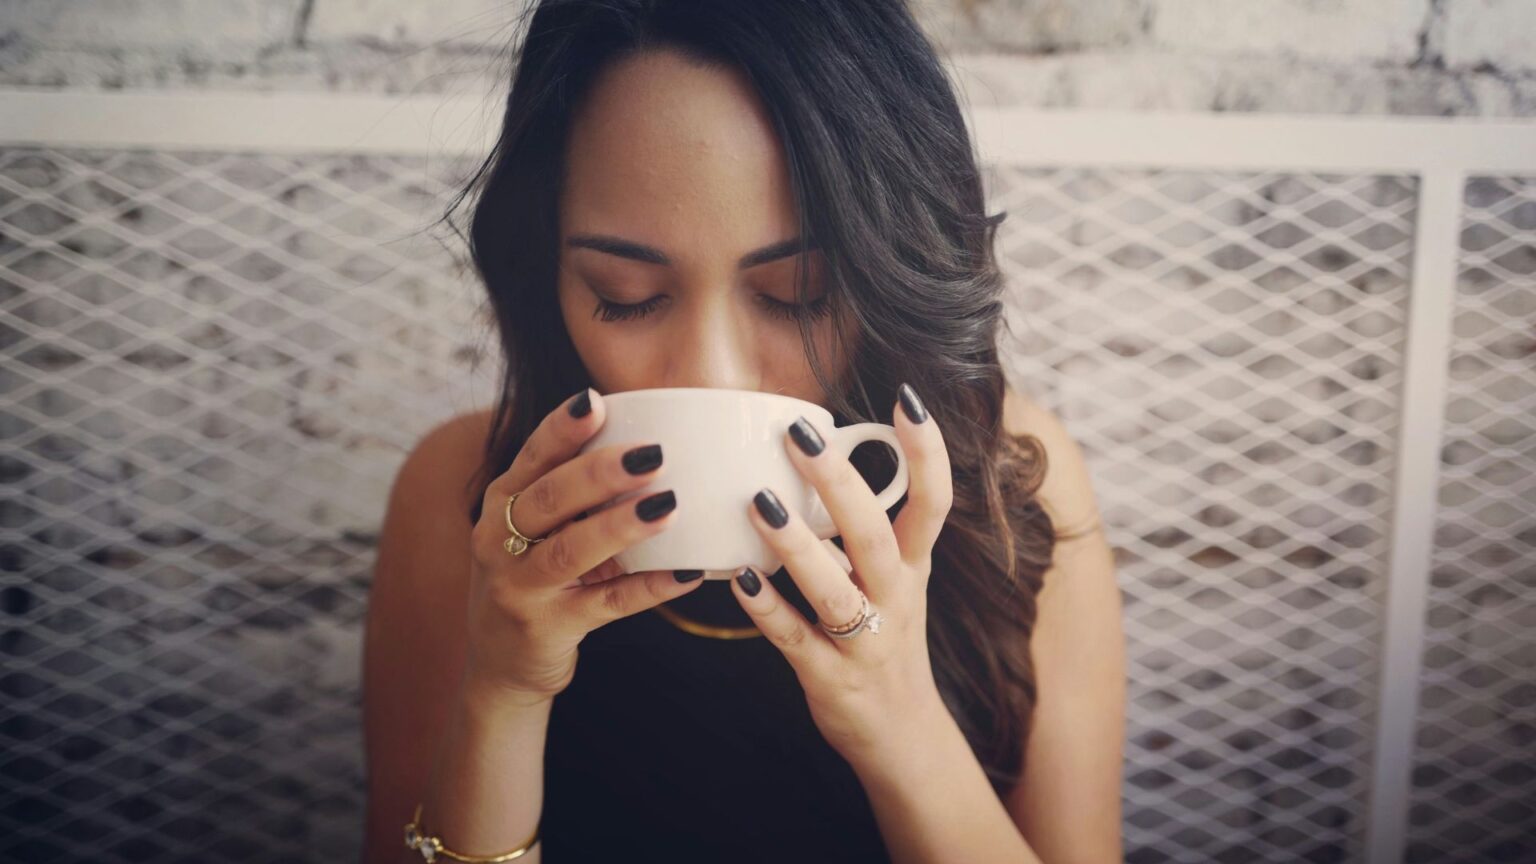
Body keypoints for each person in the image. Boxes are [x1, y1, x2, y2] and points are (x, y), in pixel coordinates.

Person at [362, 0, 1126, 861]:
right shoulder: (466, 498)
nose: (711, 374)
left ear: (888, 271)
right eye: (626, 292)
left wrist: (900, 722)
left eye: (798, 294)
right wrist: (499, 693)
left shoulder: (1008, 483)